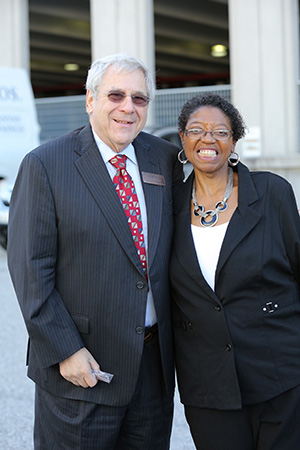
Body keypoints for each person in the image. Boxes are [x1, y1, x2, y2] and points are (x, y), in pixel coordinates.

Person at [7, 53, 183, 450]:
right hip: (82, 370)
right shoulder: (45, 164)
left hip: (151, 371)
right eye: (115, 95)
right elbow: (29, 270)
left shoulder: (163, 158)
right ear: (90, 100)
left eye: (139, 99)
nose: (128, 108)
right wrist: (65, 350)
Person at [170, 93, 300, 450]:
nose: (208, 139)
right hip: (208, 384)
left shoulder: (272, 193)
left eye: (221, 132)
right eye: (197, 130)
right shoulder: (169, 205)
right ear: (183, 138)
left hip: (280, 373)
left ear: (234, 141)